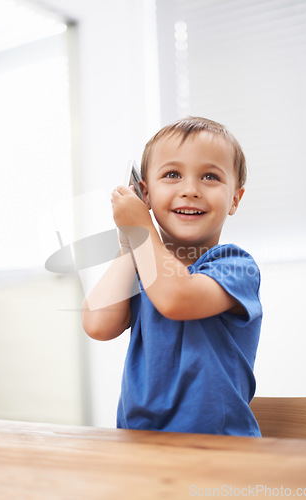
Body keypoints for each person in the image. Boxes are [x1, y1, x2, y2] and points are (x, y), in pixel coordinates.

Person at [82, 116, 262, 436]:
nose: (190, 190)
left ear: (235, 198)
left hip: (219, 446)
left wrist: (142, 229)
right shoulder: (142, 266)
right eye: (172, 175)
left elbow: (177, 298)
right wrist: (129, 245)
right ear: (145, 195)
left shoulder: (235, 265)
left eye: (210, 176)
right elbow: (97, 325)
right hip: (141, 441)